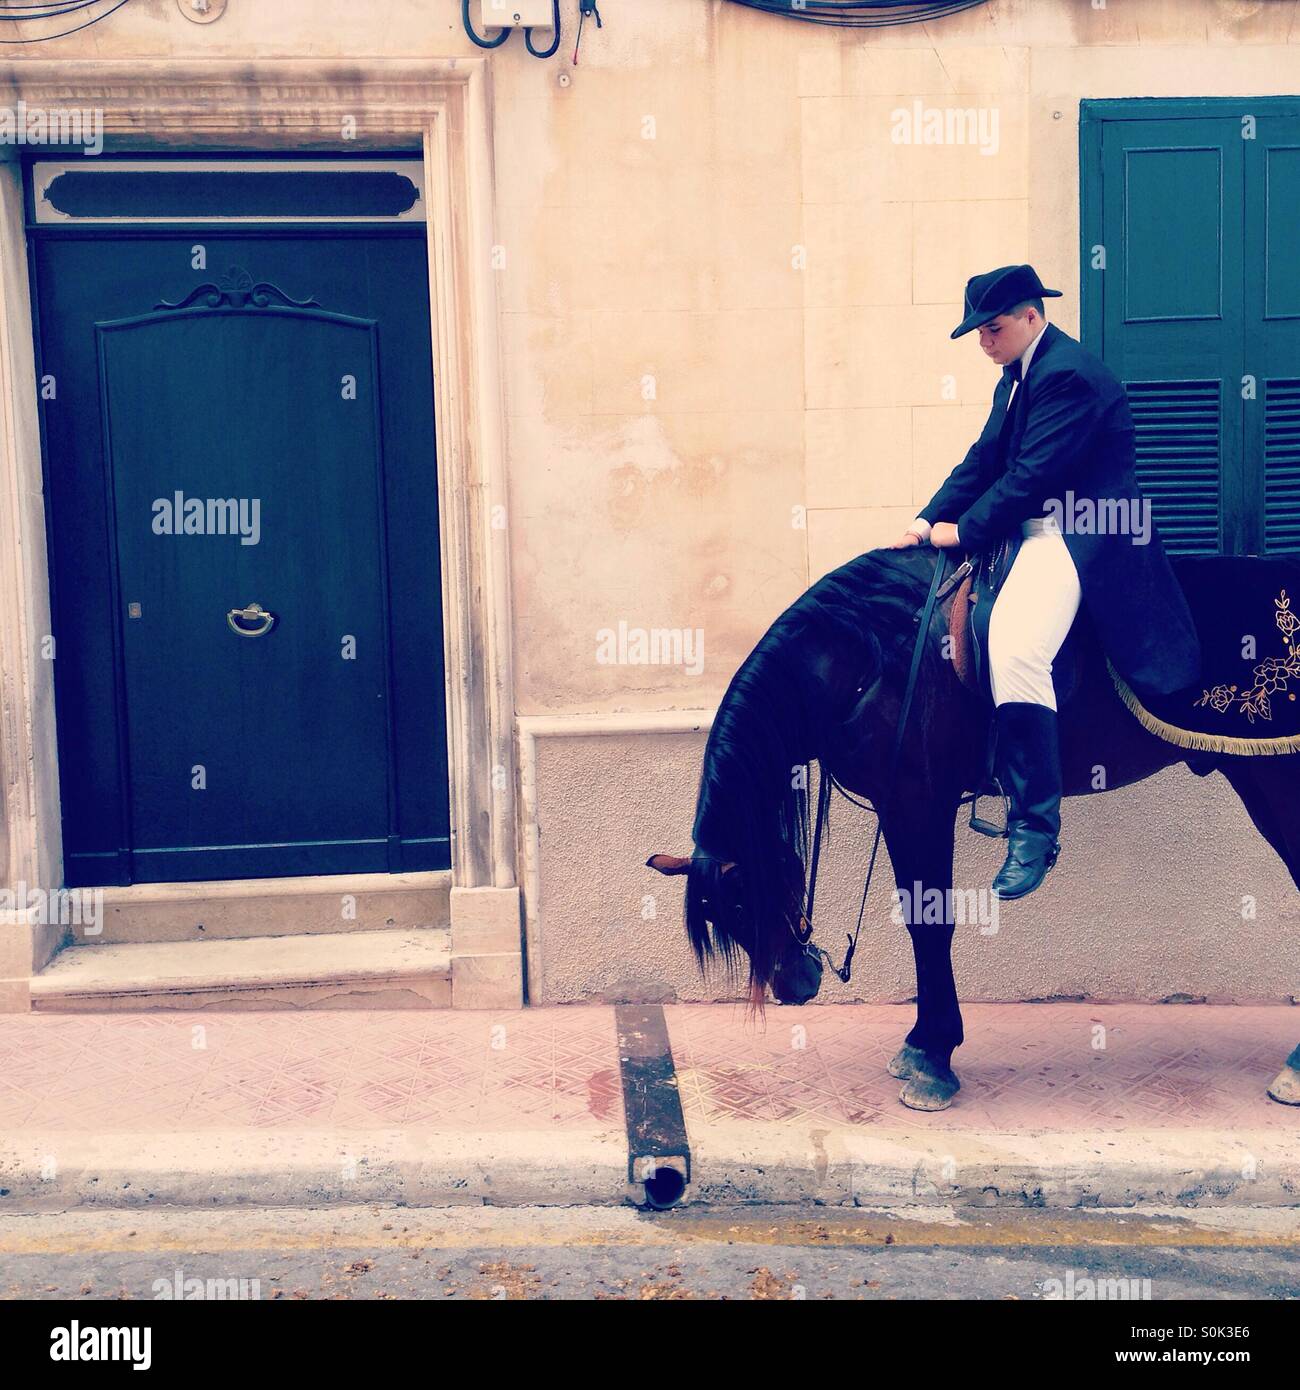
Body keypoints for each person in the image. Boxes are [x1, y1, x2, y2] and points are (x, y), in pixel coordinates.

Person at [891, 264, 1201, 899]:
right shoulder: (1015, 378)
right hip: (1033, 528)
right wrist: (925, 521)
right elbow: (982, 461)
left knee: (1015, 645)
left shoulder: (1070, 377)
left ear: (1032, 317)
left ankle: (1034, 825)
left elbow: (1029, 478)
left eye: (993, 328)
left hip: (1084, 532)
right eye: (977, 332)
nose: (984, 342)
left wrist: (962, 533)